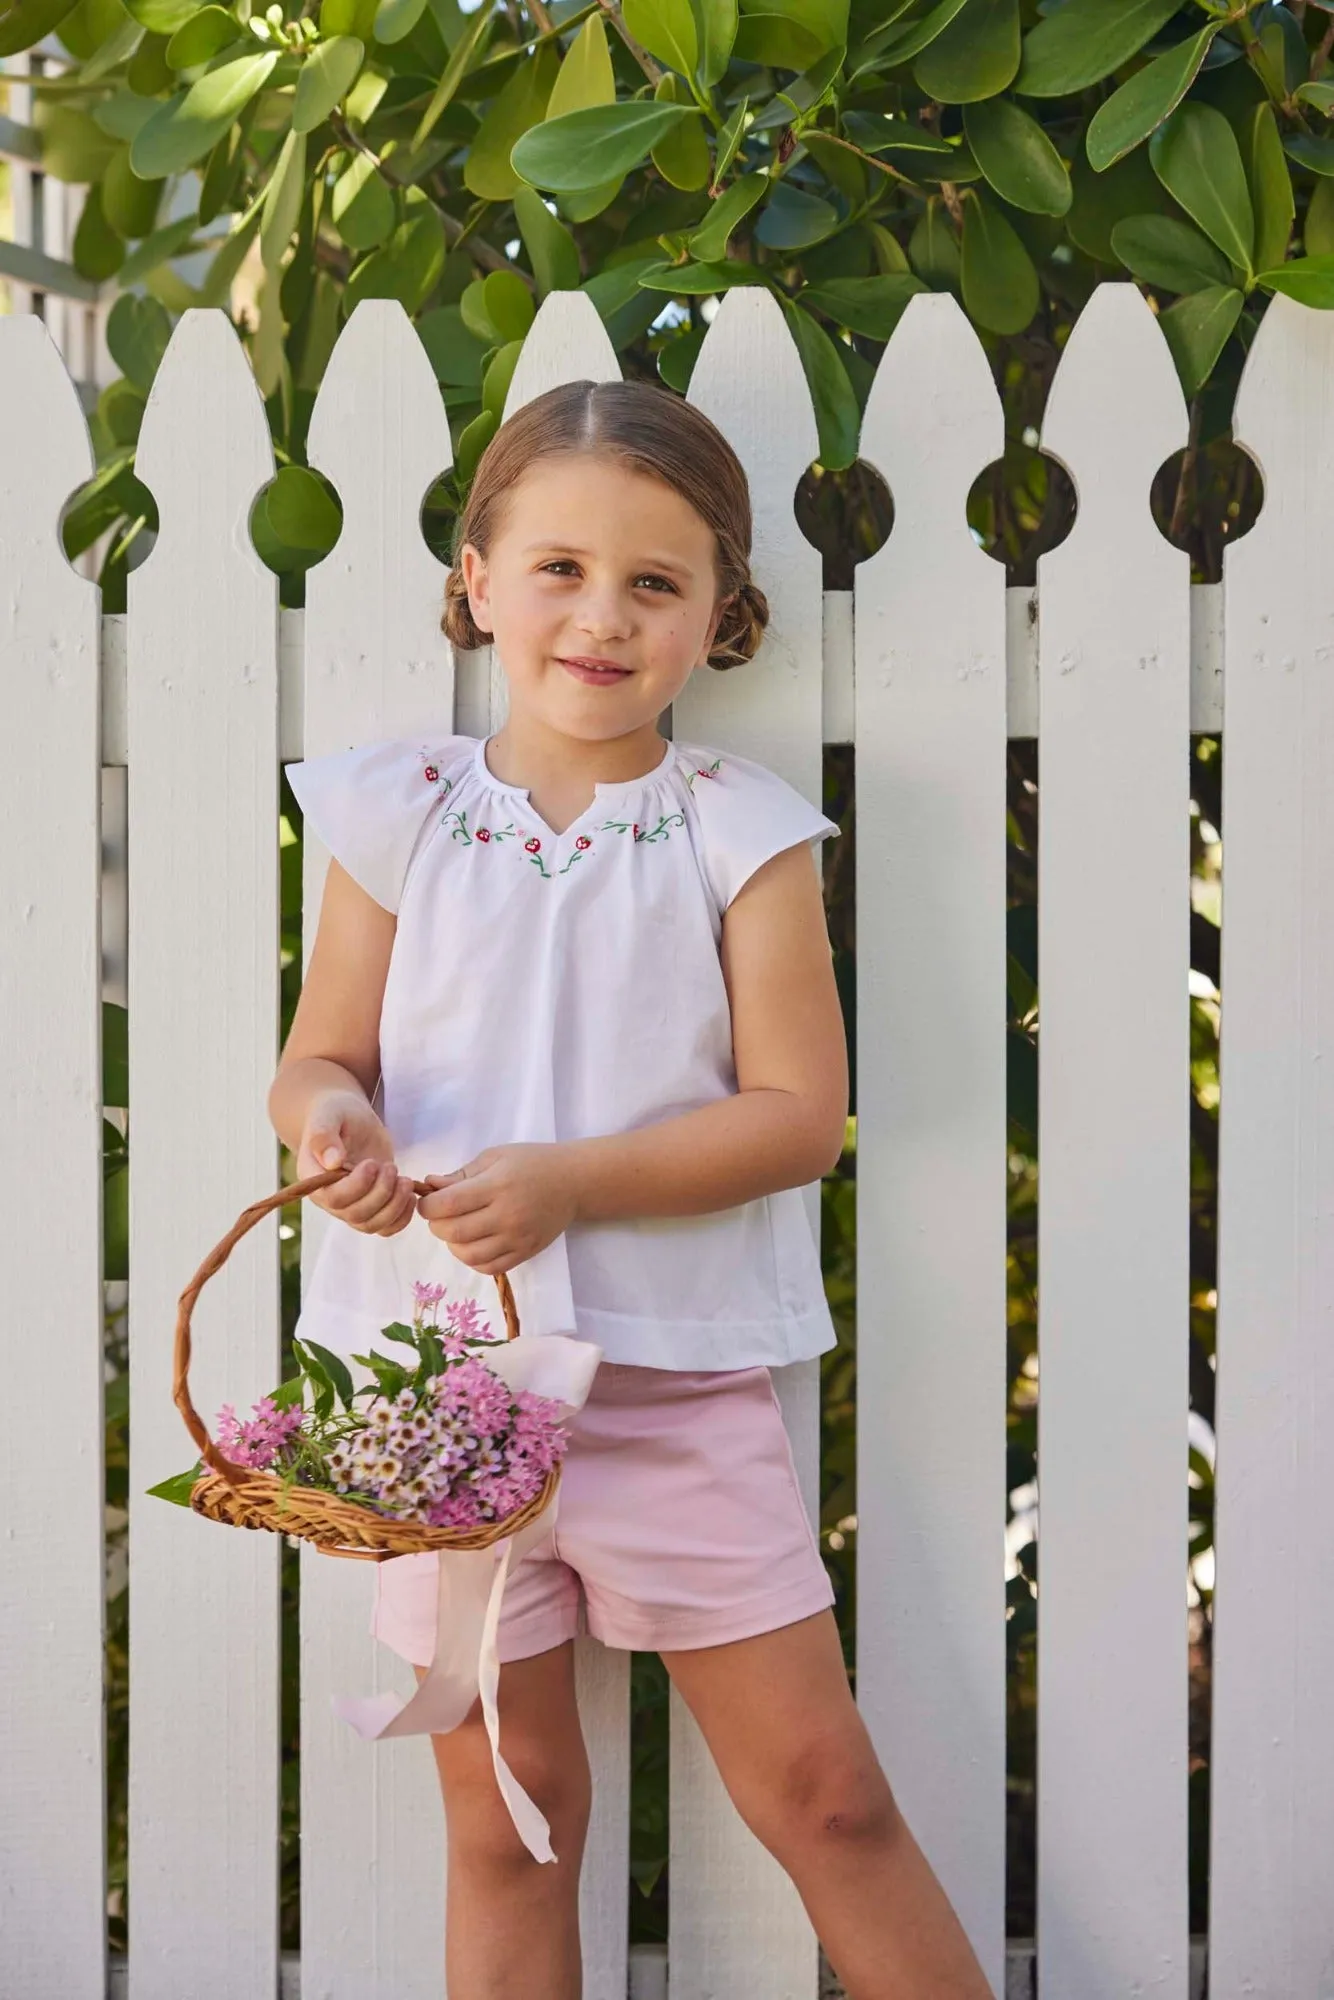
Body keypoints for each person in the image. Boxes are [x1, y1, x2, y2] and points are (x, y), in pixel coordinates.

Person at [268, 379, 991, 2000]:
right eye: (560, 570)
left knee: (829, 1798)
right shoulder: (400, 813)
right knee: (506, 1826)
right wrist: (333, 1131)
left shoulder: (740, 834)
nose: (602, 618)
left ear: (719, 615)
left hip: (673, 1395)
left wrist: (566, 1186)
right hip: (436, 1399)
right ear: (475, 577)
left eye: (655, 584)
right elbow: (317, 1059)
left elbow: (801, 1116)